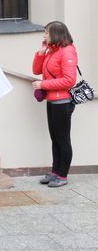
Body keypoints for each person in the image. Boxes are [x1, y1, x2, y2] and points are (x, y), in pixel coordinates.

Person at [32, 21, 78, 188]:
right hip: (52, 101)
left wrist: (42, 85)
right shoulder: (52, 51)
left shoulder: (67, 52)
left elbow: (69, 80)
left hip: (63, 102)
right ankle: (55, 172)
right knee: (55, 138)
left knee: (62, 139)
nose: (44, 35)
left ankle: (62, 175)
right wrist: (41, 52)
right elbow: (36, 70)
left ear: (56, 33)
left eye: (46, 32)